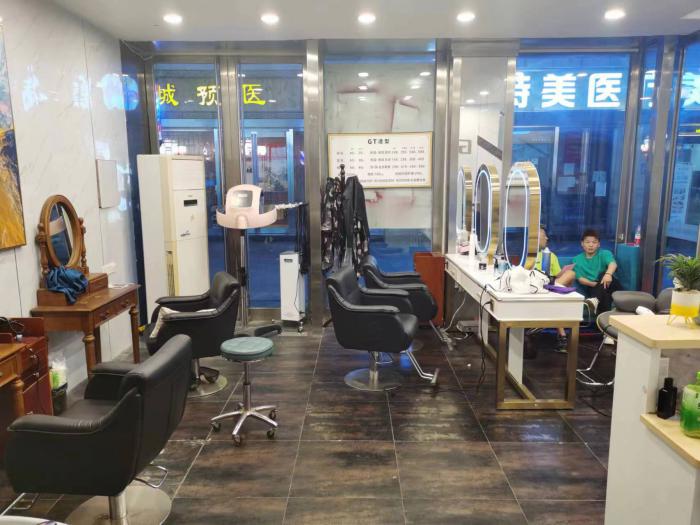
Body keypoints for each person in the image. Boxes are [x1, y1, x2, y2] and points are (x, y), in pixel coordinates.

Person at [534, 225, 575, 352]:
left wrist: (563, 272)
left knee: (571, 274)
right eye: (544, 235)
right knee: (557, 301)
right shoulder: (528, 255)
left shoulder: (551, 255)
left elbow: (557, 275)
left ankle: (556, 295)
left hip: (552, 283)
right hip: (535, 285)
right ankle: (562, 334)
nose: (547, 238)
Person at [573, 228, 622, 315]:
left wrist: (608, 274)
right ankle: (603, 320)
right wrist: (599, 285)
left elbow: (613, 264)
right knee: (604, 295)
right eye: (587, 242)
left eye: (594, 242)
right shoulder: (576, 259)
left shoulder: (605, 253)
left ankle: (594, 301)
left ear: (598, 244)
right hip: (593, 287)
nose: (591, 245)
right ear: (582, 243)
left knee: (602, 275)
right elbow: (581, 279)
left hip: (611, 285)